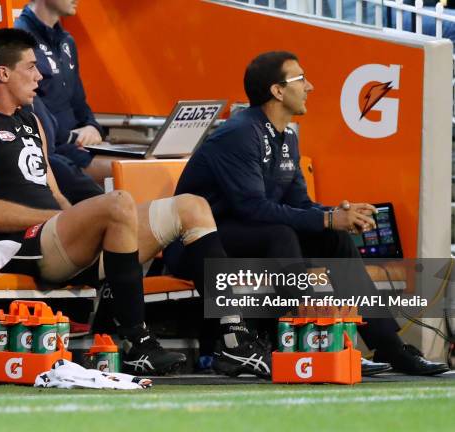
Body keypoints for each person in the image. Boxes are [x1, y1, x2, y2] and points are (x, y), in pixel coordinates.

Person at [0, 28, 272, 377]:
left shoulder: (31, 121)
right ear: (3, 73)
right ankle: (136, 342)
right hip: (25, 249)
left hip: (65, 239)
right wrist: (66, 217)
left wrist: (72, 218)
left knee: (192, 206)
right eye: (31, 67)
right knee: (118, 203)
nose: (40, 76)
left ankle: (236, 341)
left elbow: (53, 190)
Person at [168, 50, 449, 376]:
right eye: (301, 79)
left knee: (336, 240)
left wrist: (337, 216)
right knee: (281, 234)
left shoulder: (287, 137)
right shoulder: (239, 134)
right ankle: (305, 344)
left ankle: (393, 349)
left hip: (248, 234)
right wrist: (326, 218)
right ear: (277, 90)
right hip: (197, 245)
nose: (310, 86)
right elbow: (252, 208)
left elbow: (299, 203)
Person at [15, 0, 115, 184]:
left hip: (81, 145)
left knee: (154, 163)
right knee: (142, 169)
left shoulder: (67, 41)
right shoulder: (18, 39)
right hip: (54, 151)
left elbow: (79, 102)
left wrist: (92, 127)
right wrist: (74, 137)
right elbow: (28, 111)